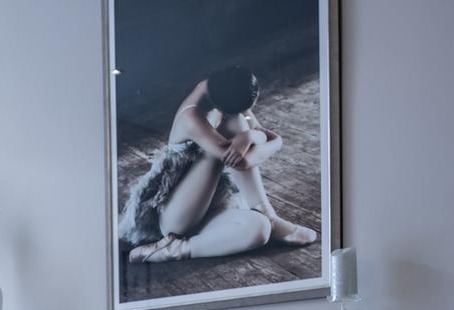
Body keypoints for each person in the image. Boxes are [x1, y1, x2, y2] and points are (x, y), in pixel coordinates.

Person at [116, 66, 316, 263]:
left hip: (210, 206)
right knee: (235, 125)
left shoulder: (220, 88)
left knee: (260, 229)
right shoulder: (192, 116)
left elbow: (260, 131)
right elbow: (244, 162)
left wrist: (250, 136)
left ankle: (267, 217)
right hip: (177, 217)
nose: (249, 112)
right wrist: (263, 140)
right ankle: (171, 249)